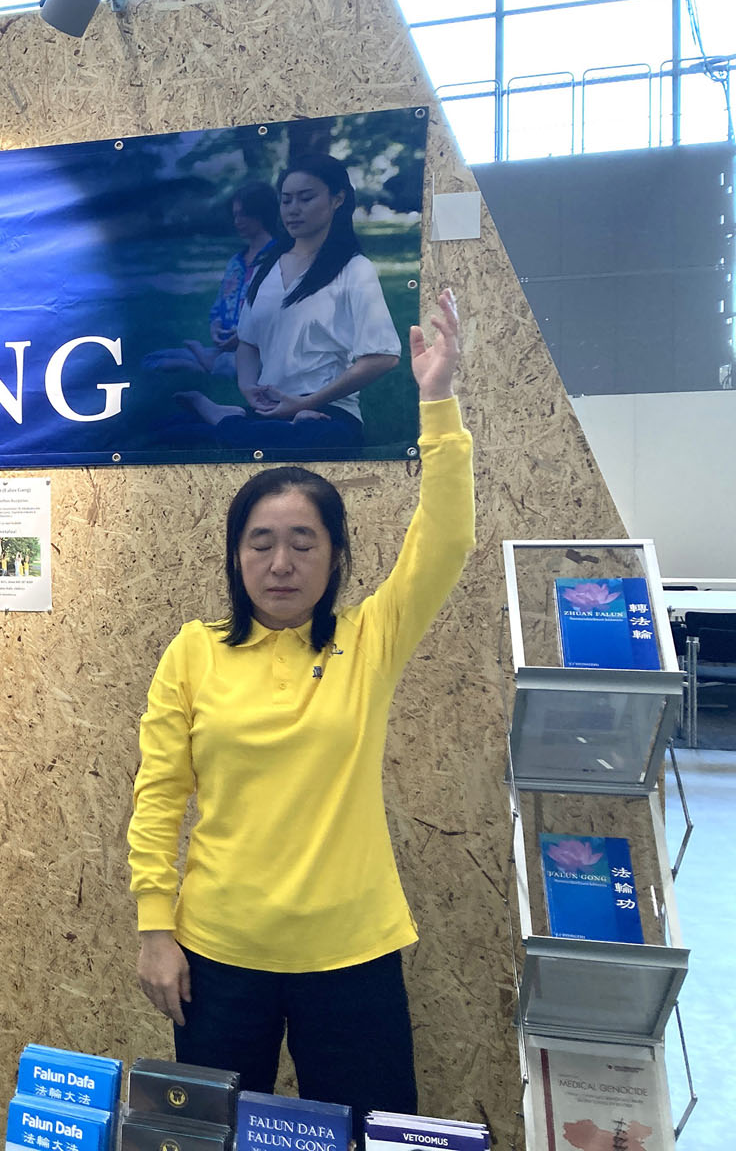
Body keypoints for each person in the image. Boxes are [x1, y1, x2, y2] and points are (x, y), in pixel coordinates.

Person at [128, 289, 472, 1120]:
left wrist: (437, 402)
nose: (280, 563)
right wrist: (155, 929)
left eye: (303, 542)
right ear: (235, 557)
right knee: (209, 1137)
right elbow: (160, 795)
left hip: (352, 953)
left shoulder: (371, 639)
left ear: (335, 556)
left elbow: (447, 540)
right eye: (261, 542)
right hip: (217, 955)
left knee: (363, 1133)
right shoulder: (193, 651)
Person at [177, 155, 402, 454]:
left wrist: (307, 403)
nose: (293, 209)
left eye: (306, 199)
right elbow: (248, 342)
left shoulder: (355, 269)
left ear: (337, 200)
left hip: (328, 410)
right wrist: (247, 387)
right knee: (165, 431)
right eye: (286, 200)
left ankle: (225, 420)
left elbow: (383, 357)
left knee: (323, 439)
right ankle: (240, 421)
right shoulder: (265, 269)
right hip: (271, 407)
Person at [144, 182, 279, 379]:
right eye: (235, 215)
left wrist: (245, 336)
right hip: (226, 348)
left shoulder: (279, 258)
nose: (237, 221)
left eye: (243, 214)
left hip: (260, 351)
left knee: (239, 366)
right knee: (153, 359)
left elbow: (280, 314)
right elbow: (219, 306)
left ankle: (204, 363)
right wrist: (215, 327)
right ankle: (206, 363)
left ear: (262, 213)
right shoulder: (235, 263)